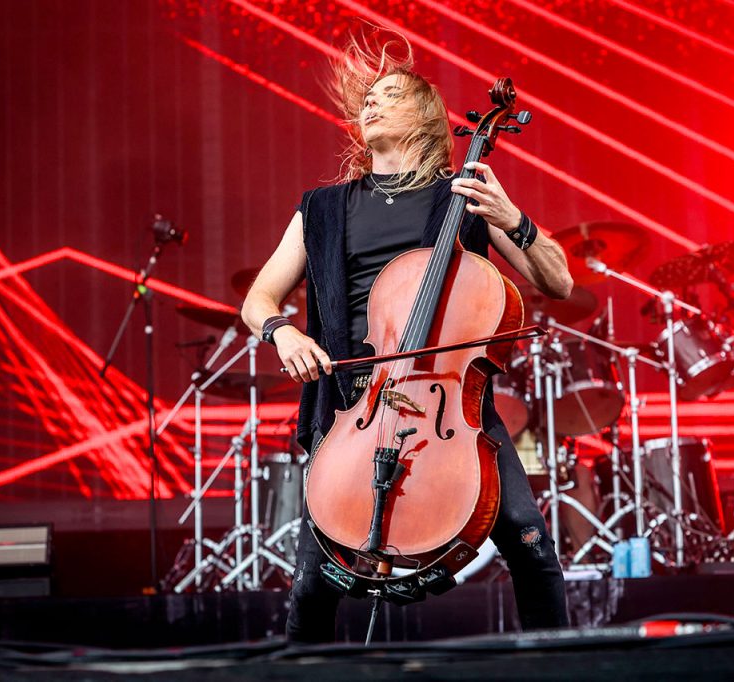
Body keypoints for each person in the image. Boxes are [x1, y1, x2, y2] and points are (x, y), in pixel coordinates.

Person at [241, 33, 574, 644]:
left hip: (451, 404)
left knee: (531, 547)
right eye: (368, 98)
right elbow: (257, 299)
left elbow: (559, 281)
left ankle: (560, 665)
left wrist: (512, 219)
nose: (371, 103)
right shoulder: (321, 208)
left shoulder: (463, 194)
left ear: (424, 117)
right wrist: (281, 333)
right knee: (313, 582)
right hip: (355, 407)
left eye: (389, 95)